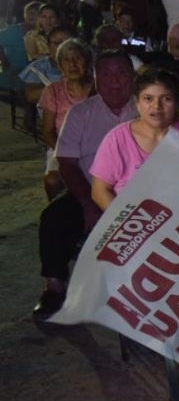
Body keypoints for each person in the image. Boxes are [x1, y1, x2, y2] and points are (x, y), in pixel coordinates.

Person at [33, 50, 133, 320]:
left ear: (132, 77)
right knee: (54, 218)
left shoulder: (146, 108)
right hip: (90, 190)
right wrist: (88, 202)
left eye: (122, 73)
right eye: (107, 74)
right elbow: (67, 162)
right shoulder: (80, 113)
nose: (115, 81)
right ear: (96, 78)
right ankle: (54, 286)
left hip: (139, 195)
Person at [90, 69, 179, 209]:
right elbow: (99, 191)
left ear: (177, 103)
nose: (156, 106)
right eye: (148, 98)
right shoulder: (117, 139)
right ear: (137, 102)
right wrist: (124, 225)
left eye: (166, 99)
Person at [37, 38, 92, 154]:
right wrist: (66, 153)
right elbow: (48, 131)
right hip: (61, 149)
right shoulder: (53, 91)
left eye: (77, 58)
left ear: (86, 62)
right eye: (66, 60)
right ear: (60, 66)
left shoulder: (100, 88)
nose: (72, 64)